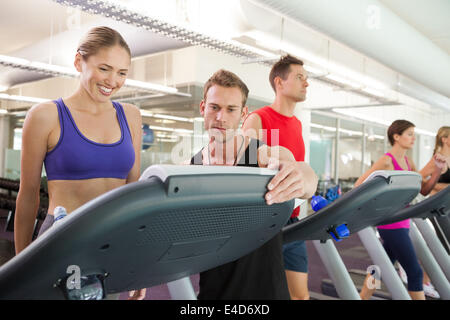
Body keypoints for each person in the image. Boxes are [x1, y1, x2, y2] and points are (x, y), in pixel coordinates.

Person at [14, 26, 143, 299]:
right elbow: (27, 197)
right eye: (104, 68)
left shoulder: (130, 116)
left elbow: (135, 196)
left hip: (112, 242)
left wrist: (138, 266)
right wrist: (20, 271)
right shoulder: (46, 116)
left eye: (122, 73)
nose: (113, 81)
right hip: (62, 240)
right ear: (78, 62)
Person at [191, 69, 317, 299]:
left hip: (265, 288)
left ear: (243, 113)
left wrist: (303, 178)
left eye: (231, 109)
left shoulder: (258, 154)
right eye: (214, 107)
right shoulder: (194, 165)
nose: (221, 117)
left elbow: (304, 174)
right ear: (203, 108)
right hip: (214, 288)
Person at [242, 55, 312, 300]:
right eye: (300, 77)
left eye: (307, 78)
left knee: (300, 296)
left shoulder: (297, 125)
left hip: (292, 220)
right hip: (264, 224)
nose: (307, 83)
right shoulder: (258, 119)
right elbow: (243, 175)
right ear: (279, 83)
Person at [355, 120, 446, 300]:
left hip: (403, 222)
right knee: (415, 272)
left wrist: (436, 172)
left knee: (380, 267)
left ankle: (362, 297)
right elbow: (360, 185)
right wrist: (377, 206)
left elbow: (424, 190)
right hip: (390, 224)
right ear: (396, 137)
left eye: (414, 134)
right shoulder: (386, 161)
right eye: (409, 134)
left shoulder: (408, 162)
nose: (413, 138)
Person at [420, 126, 450, 195]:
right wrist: (436, 185)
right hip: (438, 203)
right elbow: (419, 177)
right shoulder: (437, 160)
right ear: (444, 139)